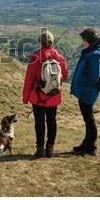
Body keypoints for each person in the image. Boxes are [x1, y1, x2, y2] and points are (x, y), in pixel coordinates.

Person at [22, 30, 68, 158]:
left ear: (40, 43)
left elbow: (29, 80)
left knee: (39, 122)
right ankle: (50, 149)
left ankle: (40, 149)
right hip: (53, 95)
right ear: (52, 42)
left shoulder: (36, 58)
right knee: (52, 121)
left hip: (38, 97)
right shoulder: (60, 57)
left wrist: (26, 97)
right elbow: (63, 76)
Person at [70, 28, 100, 156]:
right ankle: (86, 143)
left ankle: (91, 146)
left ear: (86, 40)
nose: (82, 42)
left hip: (88, 92)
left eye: (83, 39)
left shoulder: (94, 55)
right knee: (88, 119)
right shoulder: (92, 52)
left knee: (89, 119)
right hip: (85, 91)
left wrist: (83, 81)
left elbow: (95, 77)